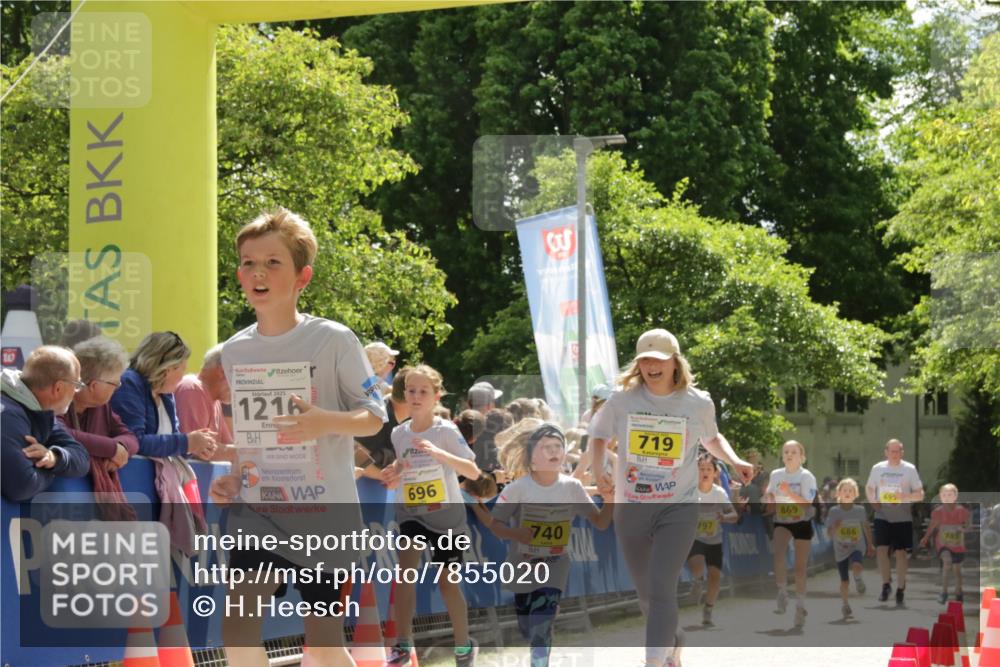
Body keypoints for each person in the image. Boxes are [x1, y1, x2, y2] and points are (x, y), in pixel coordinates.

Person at [209, 208, 386, 667]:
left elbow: (375, 417)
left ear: (301, 276)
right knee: (237, 625)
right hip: (261, 511)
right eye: (248, 263)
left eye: (272, 262)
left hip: (325, 514)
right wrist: (235, 477)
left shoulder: (334, 339)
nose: (258, 273)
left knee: (324, 643)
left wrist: (323, 421)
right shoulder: (234, 349)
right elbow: (252, 434)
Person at [587, 328, 753, 667]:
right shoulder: (621, 400)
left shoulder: (697, 402)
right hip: (632, 508)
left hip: (678, 507)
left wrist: (734, 461)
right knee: (647, 595)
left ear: (675, 362)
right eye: (644, 360)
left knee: (662, 587)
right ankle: (672, 641)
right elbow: (598, 435)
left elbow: (712, 438)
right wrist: (597, 468)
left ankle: (653, 662)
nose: (651, 366)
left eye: (659, 359)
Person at [474, 420, 613, 667]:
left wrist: (611, 500)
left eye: (558, 446)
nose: (555, 451)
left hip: (556, 564)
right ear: (531, 457)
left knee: (542, 622)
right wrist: (517, 534)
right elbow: (495, 526)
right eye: (546, 447)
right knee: (528, 626)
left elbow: (600, 523)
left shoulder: (572, 487)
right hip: (522, 565)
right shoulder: (518, 489)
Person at [381, 364, 481, 667]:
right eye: (411, 390)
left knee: (447, 583)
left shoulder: (445, 430)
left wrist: (440, 454)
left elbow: (472, 471)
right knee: (405, 575)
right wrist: (394, 472)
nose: (415, 396)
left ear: (435, 396)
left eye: (423, 391)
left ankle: (463, 646)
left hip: (447, 518)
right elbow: (404, 463)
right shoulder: (399, 433)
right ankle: (402, 645)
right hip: (412, 513)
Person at [57, 336, 139, 520]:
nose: (118, 388)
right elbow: (59, 432)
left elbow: (130, 437)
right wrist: (111, 449)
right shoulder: (58, 396)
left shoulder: (102, 407)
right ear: (94, 385)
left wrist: (121, 449)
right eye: (115, 383)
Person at [1, 346, 90, 501]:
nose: (77, 392)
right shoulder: (7, 415)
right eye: (76, 385)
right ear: (58, 388)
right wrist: (45, 467)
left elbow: (82, 458)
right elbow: (22, 486)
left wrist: (53, 457)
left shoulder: (39, 411)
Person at [110, 332, 217, 460]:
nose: (182, 376)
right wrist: (186, 442)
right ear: (168, 368)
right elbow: (133, 442)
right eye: (182, 369)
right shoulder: (129, 382)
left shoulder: (166, 394)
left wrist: (196, 447)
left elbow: (170, 442)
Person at [865, 438, 924, 606]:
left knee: (900, 554)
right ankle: (886, 585)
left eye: (897, 451)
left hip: (902, 517)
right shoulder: (878, 468)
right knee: (881, 550)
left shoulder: (909, 469)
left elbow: (920, 495)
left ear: (902, 452)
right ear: (886, 452)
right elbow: (869, 488)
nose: (894, 454)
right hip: (882, 515)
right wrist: (873, 501)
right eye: (891, 451)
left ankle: (901, 588)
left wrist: (904, 497)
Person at [765, 440, 817, 627]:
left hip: (802, 521)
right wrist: (769, 498)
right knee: (778, 552)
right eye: (786, 451)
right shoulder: (776, 475)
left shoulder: (806, 476)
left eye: (794, 452)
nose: (789, 454)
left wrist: (788, 492)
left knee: (800, 567)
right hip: (783, 521)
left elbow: (806, 504)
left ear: (802, 457)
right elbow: (770, 498)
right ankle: (782, 592)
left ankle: (800, 606)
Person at [686, 454, 738, 627]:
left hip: (715, 540)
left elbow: (734, 515)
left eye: (709, 469)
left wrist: (724, 516)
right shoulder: (690, 491)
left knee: (715, 577)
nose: (705, 472)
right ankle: (698, 580)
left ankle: (708, 609)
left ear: (715, 473)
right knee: (698, 562)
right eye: (701, 469)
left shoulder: (719, 493)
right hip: (695, 538)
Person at [826, 478, 874, 620]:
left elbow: (866, 527)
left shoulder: (859, 510)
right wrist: (836, 526)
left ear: (855, 494)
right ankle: (845, 604)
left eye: (850, 491)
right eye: (844, 490)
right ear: (838, 493)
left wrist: (870, 544)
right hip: (841, 549)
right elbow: (829, 534)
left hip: (856, 545)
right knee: (844, 581)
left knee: (857, 563)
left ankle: (858, 578)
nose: (847, 493)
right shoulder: (834, 511)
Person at [174, 343, 234, 457]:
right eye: (239, 375)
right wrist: (250, 453)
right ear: (222, 371)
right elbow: (199, 451)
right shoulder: (192, 389)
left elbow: (227, 445)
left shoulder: (214, 400)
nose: (241, 385)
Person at [919, 483, 971, 604]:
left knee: (957, 570)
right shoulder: (938, 512)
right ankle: (944, 592)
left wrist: (963, 529)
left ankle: (958, 591)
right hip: (943, 544)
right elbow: (932, 526)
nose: (947, 497)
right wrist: (925, 538)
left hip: (958, 544)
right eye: (944, 495)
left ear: (955, 496)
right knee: (947, 563)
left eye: (950, 495)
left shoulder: (962, 511)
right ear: (941, 497)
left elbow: (968, 525)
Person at [355, 367, 411, 473]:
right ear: (410, 396)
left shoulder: (409, 420)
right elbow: (356, 459)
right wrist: (384, 477)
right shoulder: (379, 418)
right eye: (421, 391)